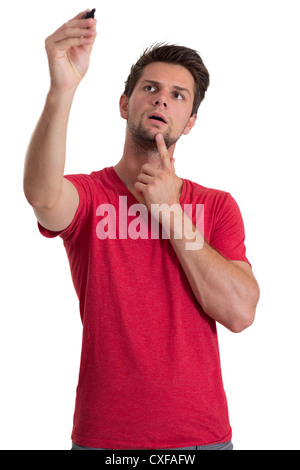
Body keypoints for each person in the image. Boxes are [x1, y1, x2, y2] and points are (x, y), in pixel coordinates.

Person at [23, 10, 260, 450]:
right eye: (150, 88)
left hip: (200, 441)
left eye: (177, 95)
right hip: (105, 440)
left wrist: (172, 214)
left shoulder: (215, 206)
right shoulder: (91, 196)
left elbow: (240, 312)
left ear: (189, 122)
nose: (161, 100)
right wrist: (62, 90)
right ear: (124, 103)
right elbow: (42, 196)